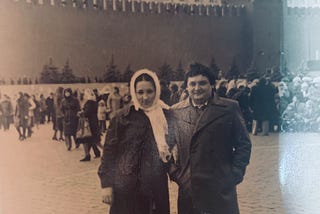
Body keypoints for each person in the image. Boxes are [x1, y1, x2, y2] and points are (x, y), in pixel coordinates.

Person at [168, 63, 252, 214]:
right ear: (186, 87)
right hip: (189, 188)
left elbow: (243, 144)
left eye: (202, 83)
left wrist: (235, 173)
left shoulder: (229, 108)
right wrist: (177, 175)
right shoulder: (176, 112)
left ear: (212, 85)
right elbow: (165, 147)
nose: (197, 88)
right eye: (192, 84)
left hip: (220, 187)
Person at [98, 69, 171, 214]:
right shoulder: (122, 117)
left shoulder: (165, 115)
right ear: (134, 92)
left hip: (156, 186)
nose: (145, 97)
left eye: (149, 91)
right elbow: (109, 153)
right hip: (127, 186)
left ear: (157, 91)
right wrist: (106, 185)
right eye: (140, 92)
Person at [79, 88, 101, 161]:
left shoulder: (89, 103)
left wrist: (81, 113)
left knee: (86, 139)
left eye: (85, 94)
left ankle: (87, 155)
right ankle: (96, 152)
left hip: (89, 123)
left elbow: (87, 113)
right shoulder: (95, 102)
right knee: (93, 140)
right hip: (94, 122)